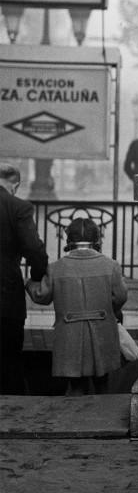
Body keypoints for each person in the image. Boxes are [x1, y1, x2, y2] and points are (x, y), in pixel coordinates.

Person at [27, 218, 128, 396]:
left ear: (68, 241)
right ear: (97, 240)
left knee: (75, 386)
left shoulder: (56, 268)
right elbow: (120, 297)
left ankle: (73, 421)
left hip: (69, 334)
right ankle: (104, 420)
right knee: (102, 384)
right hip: (103, 332)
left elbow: (41, 296)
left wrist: (29, 283)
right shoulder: (111, 266)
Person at [0, 163, 48, 394]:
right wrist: (36, 277)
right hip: (5, 294)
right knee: (9, 359)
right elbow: (34, 249)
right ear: (15, 184)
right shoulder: (18, 207)